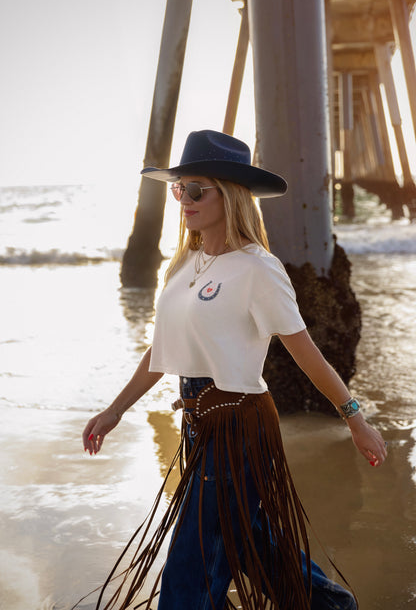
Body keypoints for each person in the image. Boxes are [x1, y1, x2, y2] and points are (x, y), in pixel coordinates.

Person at [82, 130, 387, 610]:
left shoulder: (258, 269)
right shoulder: (185, 263)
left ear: (231, 194)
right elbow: (162, 351)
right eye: (179, 189)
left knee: (191, 568)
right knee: (247, 537)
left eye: (196, 188)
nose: (185, 199)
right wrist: (115, 410)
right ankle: (330, 605)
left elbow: (306, 351)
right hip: (196, 423)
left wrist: (355, 418)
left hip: (239, 427)